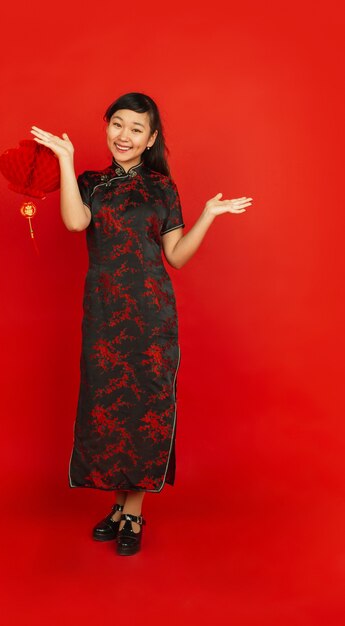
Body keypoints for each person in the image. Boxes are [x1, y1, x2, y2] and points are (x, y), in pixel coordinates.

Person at [30, 92, 252, 556]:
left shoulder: (161, 188)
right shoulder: (90, 183)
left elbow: (176, 257)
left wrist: (208, 216)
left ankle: (134, 512)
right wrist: (67, 161)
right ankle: (118, 507)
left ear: (151, 138)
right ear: (107, 126)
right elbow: (74, 223)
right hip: (104, 315)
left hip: (152, 316)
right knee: (109, 406)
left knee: (146, 407)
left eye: (136, 129)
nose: (124, 136)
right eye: (118, 124)